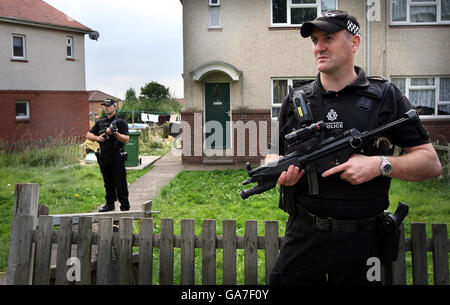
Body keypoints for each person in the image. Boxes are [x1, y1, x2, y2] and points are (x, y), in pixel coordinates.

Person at [269, 10, 442, 285]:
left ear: (355, 43)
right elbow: (276, 154)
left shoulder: (385, 97)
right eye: (314, 40)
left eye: (328, 37)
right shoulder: (297, 99)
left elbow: (430, 163)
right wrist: (275, 169)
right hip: (304, 236)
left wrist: (379, 165)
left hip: (363, 240)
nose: (319, 47)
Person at [86, 99, 131, 212]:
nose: (106, 107)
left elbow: (126, 140)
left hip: (117, 155)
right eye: (105, 106)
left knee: (120, 182)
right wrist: (98, 138)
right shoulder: (100, 122)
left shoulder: (120, 122)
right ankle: (110, 204)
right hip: (104, 156)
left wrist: (115, 133)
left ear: (115, 107)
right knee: (108, 182)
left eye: (109, 105)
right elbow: (88, 134)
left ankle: (124, 207)